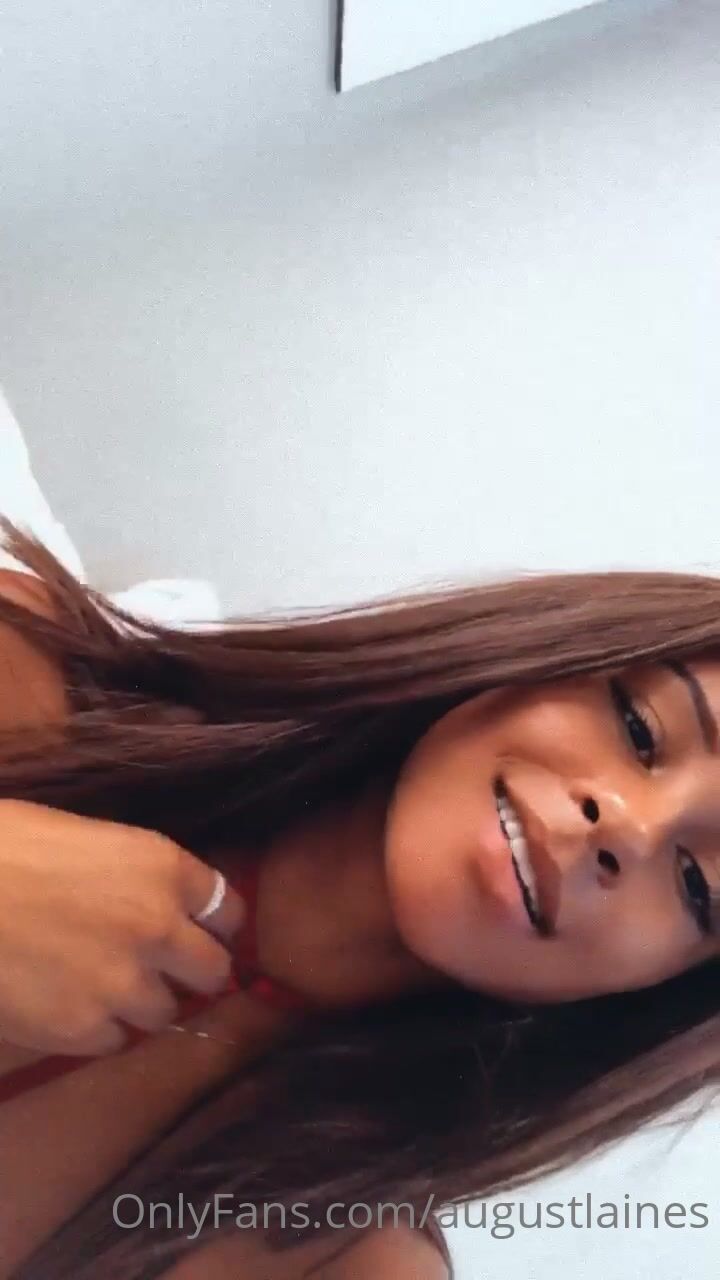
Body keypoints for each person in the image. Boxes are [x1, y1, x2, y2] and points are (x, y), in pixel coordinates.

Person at [0, 515, 718, 1279]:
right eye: (640, 729)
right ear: (555, 654)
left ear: (661, 988)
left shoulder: (350, 1260)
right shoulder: (31, 678)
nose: (628, 827)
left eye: (695, 887)